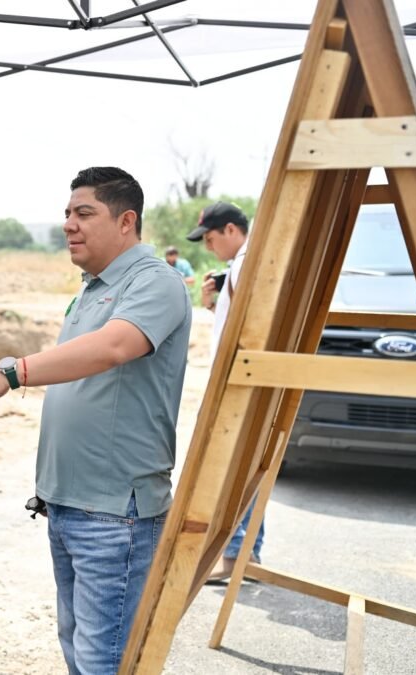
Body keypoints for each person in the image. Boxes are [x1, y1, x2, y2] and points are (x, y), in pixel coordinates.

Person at [0, 167, 192, 675]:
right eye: (67, 214)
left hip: (115, 511)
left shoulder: (154, 282)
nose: (69, 225)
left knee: (105, 660)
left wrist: (12, 373)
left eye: (84, 213)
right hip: (72, 503)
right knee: (79, 648)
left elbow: (114, 347)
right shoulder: (93, 286)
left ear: (126, 221)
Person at [186, 200, 264, 581]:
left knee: (238, 471)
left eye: (211, 238)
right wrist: (216, 301)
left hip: (242, 382)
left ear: (231, 230)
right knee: (241, 469)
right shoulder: (240, 264)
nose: (208, 247)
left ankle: (238, 555)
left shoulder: (249, 261)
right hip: (238, 379)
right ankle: (242, 554)